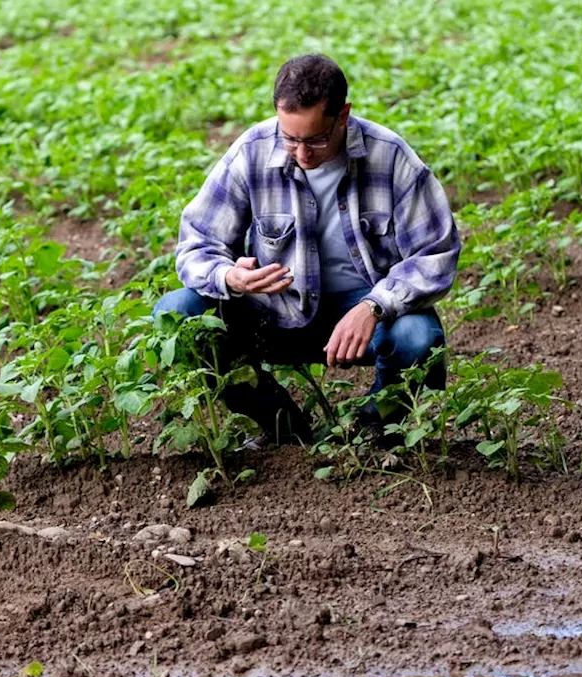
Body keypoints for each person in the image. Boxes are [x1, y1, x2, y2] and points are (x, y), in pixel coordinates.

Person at [152, 54, 460, 447]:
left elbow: (436, 252)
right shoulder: (254, 150)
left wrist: (374, 306)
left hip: (362, 315)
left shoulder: (392, 158)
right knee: (177, 316)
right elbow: (196, 240)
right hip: (273, 313)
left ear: (343, 115)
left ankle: (365, 431)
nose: (301, 153)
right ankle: (282, 426)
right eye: (290, 138)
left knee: (419, 337)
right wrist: (229, 275)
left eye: (316, 139)